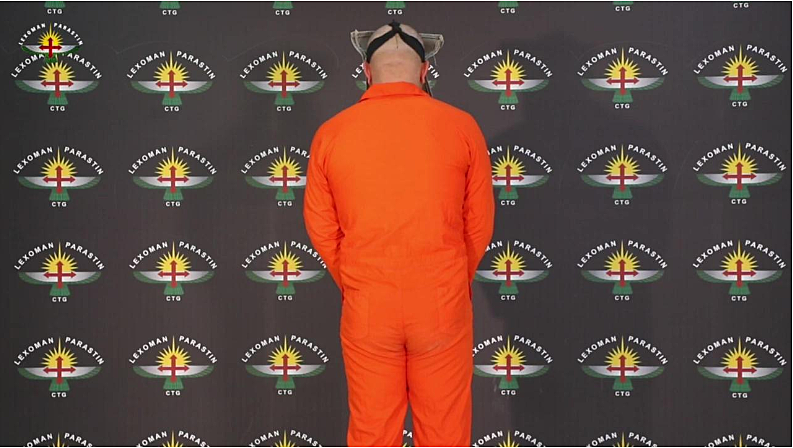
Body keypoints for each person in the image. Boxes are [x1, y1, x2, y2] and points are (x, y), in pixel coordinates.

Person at [303, 20, 495, 447]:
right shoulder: (461, 126)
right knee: (445, 433)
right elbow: (479, 223)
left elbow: (321, 226)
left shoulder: (332, 133)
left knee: (372, 433)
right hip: (441, 299)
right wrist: (449, 280)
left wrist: (357, 282)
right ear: (425, 71)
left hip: (368, 303)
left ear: (366, 72)